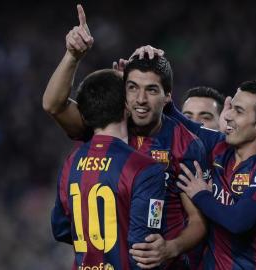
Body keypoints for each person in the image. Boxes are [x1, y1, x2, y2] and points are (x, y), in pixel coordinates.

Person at [43, 6, 207, 269]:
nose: (141, 100)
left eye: (151, 89)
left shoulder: (184, 143)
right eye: (132, 88)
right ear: (123, 94)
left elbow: (198, 220)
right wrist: (73, 56)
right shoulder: (107, 125)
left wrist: (170, 248)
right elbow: (54, 105)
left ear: (167, 97)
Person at [169, 80, 256, 269]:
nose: (227, 115)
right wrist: (153, 83)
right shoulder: (220, 145)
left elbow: (239, 222)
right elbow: (180, 122)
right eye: (231, 108)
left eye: (239, 111)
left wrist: (201, 194)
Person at [51, 68, 166, 270]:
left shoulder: (71, 162)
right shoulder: (145, 169)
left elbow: (60, 228)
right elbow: (144, 248)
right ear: (126, 106)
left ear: (84, 115)